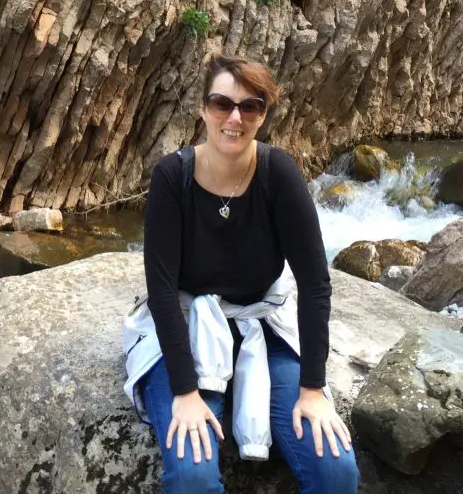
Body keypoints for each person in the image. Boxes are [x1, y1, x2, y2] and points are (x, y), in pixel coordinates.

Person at [123, 52, 359, 493]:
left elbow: (314, 283)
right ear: (203, 109)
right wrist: (185, 393)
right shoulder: (172, 177)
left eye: (250, 106)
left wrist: (312, 389)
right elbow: (161, 291)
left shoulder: (278, 174)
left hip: (261, 323)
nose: (235, 117)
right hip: (190, 322)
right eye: (222, 104)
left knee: (335, 469)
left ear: (263, 115)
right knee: (192, 476)